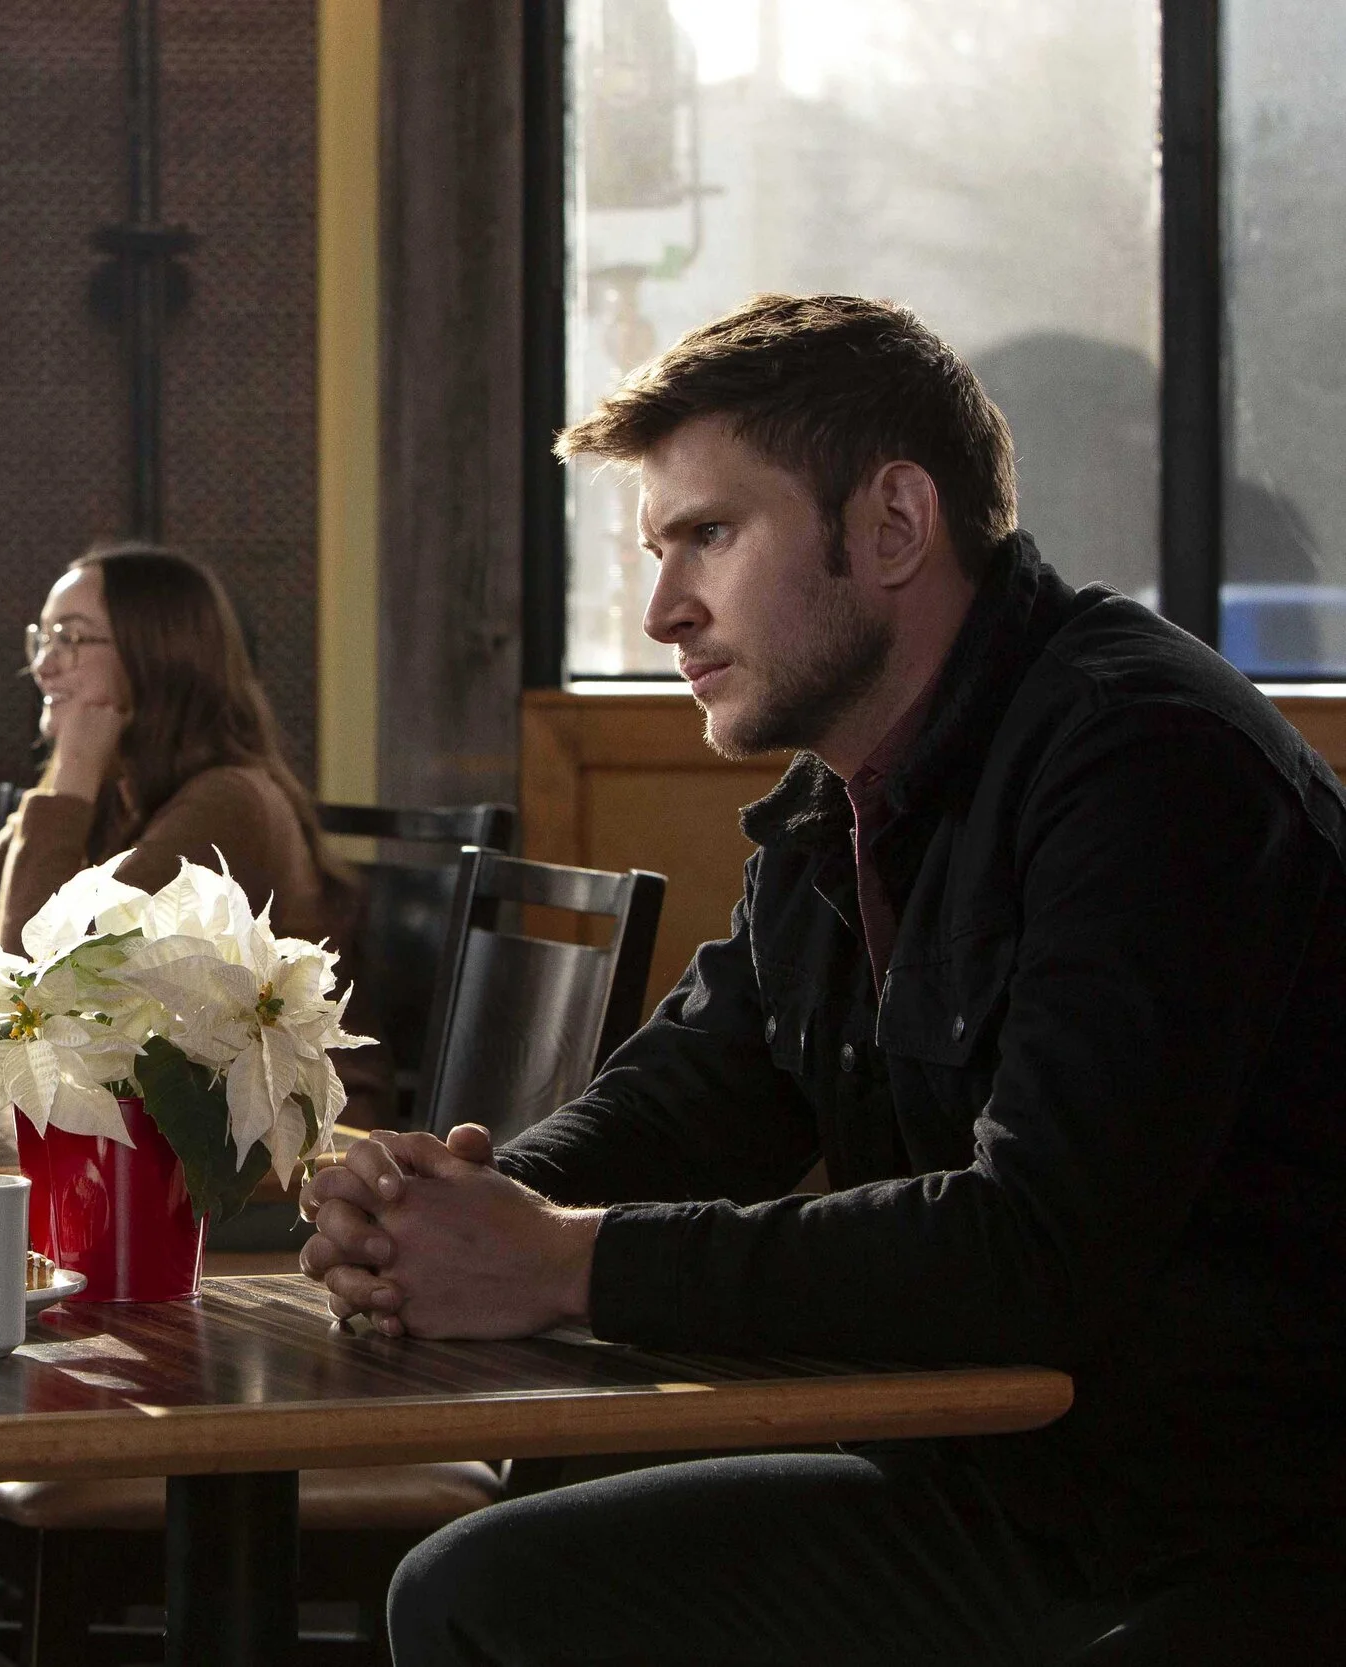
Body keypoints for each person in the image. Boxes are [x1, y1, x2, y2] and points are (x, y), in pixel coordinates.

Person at [300, 295, 1346, 1664]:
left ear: (895, 524)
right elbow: (695, 1091)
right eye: (657, 550)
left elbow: (1032, 1250)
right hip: (1021, 1497)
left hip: (1245, 1527)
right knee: (479, 1591)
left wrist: (566, 1261)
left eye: (711, 536)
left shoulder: (1144, 759)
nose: (667, 608)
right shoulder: (843, 791)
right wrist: (453, 1207)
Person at [0, 543, 341, 951]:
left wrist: (72, 778)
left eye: (71, 637)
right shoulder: (113, 782)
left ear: (156, 656)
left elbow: (44, 975)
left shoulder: (231, 800)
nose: (41, 665)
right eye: (42, 638)